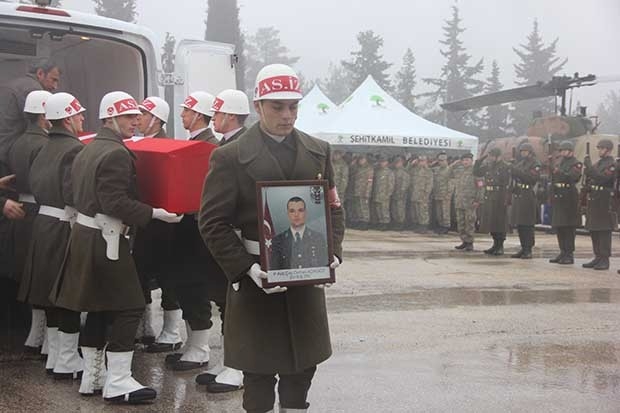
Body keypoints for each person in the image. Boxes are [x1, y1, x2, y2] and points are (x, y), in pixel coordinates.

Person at [199, 63, 345, 413]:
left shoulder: (318, 151)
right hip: (257, 279)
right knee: (259, 372)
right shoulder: (230, 156)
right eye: (277, 106)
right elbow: (212, 222)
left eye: (293, 106)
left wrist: (332, 249)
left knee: (302, 367)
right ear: (258, 106)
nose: (287, 114)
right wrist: (244, 268)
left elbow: (333, 208)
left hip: (305, 276)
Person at [50, 91, 181, 403]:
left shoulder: (89, 147)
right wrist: (153, 213)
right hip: (106, 238)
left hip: (87, 235)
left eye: (137, 116)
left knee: (98, 308)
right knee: (130, 306)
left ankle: (93, 377)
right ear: (109, 118)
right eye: (127, 117)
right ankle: (118, 380)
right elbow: (114, 201)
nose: (135, 122)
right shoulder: (116, 153)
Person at [17, 92, 85, 378]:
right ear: (68, 118)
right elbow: (74, 193)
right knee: (66, 294)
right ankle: (67, 359)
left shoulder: (44, 146)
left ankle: (57, 356)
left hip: (44, 223)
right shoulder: (74, 149)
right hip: (63, 224)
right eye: (79, 114)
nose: (83, 118)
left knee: (49, 292)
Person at [194, 88, 249, 393]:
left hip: (237, 236)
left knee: (236, 306)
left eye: (216, 113)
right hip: (224, 234)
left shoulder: (240, 147)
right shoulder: (229, 145)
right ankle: (230, 359)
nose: (213, 118)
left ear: (229, 115)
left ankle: (238, 366)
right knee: (225, 303)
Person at [162, 91, 217, 371]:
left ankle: (200, 347)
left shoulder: (207, 147)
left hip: (196, 228)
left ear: (198, 114)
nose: (182, 115)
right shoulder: (195, 143)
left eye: (186, 111)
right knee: (185, 284)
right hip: (185, 226)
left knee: (195, 285)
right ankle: (192, 343)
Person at [131, 96, 182, 352]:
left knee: (167, 275)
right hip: (142, 220)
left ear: (156, 119)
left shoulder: (167, 146)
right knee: (139, 272)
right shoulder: (135, 142)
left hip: (164, 225)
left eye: (142, 113)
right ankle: (145, 326)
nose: (137, 118)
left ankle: (171, 330)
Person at [6, 90, 52, 355]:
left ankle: (36, 334)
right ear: (45, 115)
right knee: (43, 276)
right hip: (40, 210)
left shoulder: (18, 142)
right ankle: (44, 337)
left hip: (21, 211)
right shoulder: (44, 144)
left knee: (28, 274)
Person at [0, 58, 60, 165]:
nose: (55, 86)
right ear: (40, 73)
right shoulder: (34, 91)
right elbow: (37, 126)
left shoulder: (10, 85)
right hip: (10, 155)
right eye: (53, 80)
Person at [582, 139, 617, 270]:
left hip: (604, 200)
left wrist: (590, 168)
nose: (600, 151)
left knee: (604, 230)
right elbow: (592, 178)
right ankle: (597, 256)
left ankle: (604, 259)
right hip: (595, 198)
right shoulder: (598, 164)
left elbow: (603, 179)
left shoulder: (612, 165)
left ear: (608, 150)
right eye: (599, 148)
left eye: (602, 148)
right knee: (594, 229)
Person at [270, 196, 329, 270]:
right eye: (292, 211)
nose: (296, 215)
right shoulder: (278, 240)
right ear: (287, 214)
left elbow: (324, 268)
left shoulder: (318, 238)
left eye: (300, 210)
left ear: (305, 213)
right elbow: (275, 270)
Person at [549, 141, 582, 265]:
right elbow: (554, 179)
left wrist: (559, 172)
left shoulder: (576, 163)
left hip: (569, 197)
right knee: (560, 226)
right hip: (559, 195)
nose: (562, 152)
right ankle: (562, 251)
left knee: (568, 227)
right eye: (561, 150)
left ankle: (569, 254)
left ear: (570, 151)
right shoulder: (561, 163)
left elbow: (573, 177)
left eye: (564, 150)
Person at [474, 147, 510, 255]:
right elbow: (476, 172)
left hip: (499, 196)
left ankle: (500, 246)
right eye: (489, 156)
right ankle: (495, 245)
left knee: (499, 222)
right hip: (490, 195)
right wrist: (479, 160)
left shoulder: (505, 166)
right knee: (492, 222)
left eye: (492, 156)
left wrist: (504, 198)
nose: (490, 158)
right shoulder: (488, 166)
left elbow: (506, 182)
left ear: (498, 156)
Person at [509, 143, 541, 259]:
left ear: (530, 152)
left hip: (528, 194)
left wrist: (516, 171)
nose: (523, 153)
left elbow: (531, 179)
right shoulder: (521, 163)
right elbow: (515, 176)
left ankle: (528, 249)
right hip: (519, 193)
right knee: (520, 224)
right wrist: (512, 170)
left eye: (525, 151)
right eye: (521, 151)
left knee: (527, 224)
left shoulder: (535, 164)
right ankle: (523, 247)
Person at [452, 153, 483, 251]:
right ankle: (464, 241)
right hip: (460, 201)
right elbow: (447, 173)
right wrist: (454, 164)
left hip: (470, 202)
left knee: (469, 223)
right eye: (464, 160)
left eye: (467, 160)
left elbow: (481, 186)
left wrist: (478, 200)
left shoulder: (476, 171)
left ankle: (470, 243)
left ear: (471, 161)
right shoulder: (459, 171)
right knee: (461, 223)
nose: (465, 162)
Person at [409, 155, 434, 233]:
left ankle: (424, 226)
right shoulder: (415, 170)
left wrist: (426, 194)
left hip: (423, 194)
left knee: (423, 211)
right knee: (415, 211)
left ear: (426, 161)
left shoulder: (428, 171)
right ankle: (417, 225)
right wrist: (411, 164)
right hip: (414, 193)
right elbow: (406, 172)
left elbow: (430, 184)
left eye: (423, 161)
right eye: (420, 161)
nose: (421, 162)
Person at [370, 154, 395, 230]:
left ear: (387, 162)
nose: (382, 163)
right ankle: (380, 222)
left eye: (383, 162)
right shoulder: (377, 171)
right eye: (381, 162)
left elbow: (391, 184)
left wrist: (388, 194)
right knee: (378, 209)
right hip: (377, 193)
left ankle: (385, 223)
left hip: (385, 194)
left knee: (384, 209)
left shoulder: (389, 172)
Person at [350, 153, 373, 230]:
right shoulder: (358, 168)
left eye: (362, 159)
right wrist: (353, 164)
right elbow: (352, 173)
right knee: (358, 207)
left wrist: (367, 192)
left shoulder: (369, 169)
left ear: (365, 160)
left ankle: (365, 222)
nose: (361, 161)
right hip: (357, 191)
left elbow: (370, 182)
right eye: (360, 160)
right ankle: (360, 221)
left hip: (364, 191)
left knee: (364, 208)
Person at [432, 152, 451, 234]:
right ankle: (440, 225)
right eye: (439, 160)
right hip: (437, 193)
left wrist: (448, 194)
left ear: (446, 161)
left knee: (445, 211)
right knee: (439, 212)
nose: (441, 162)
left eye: (443, 160)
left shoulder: (449, 170)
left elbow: (451, 183)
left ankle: (446, 226)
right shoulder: (436, 169)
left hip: (445, 194)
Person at [390, 155, 410, 230]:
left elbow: (405, 184)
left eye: (398, 163)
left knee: (400, 210)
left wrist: (401, 192)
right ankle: (396, 223)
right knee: (394, 209)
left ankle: (401, 224)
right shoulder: (394, 171)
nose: (396, 164)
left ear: (401, 163)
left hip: (401, 194)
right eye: (396, 163)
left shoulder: (404, 172)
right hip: (394, 193)